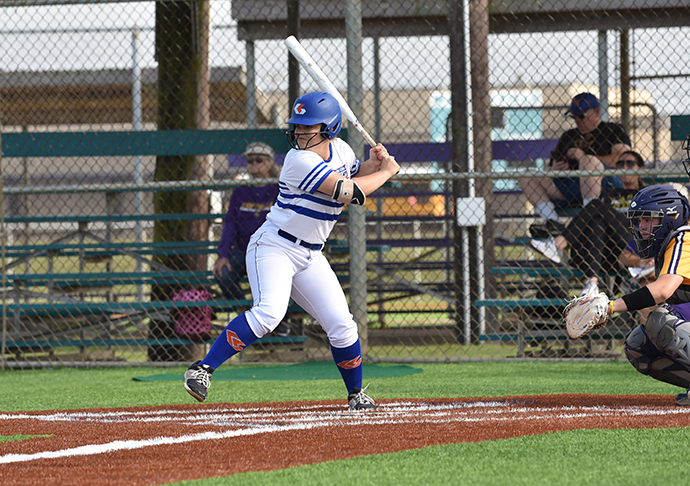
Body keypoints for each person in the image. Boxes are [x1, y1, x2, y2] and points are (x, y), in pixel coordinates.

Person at [184, 91, 400, 410]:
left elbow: (355, 173)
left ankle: (356, 394)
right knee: (270, 313)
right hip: (274, 246)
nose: (298, 132)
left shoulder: (340, 149)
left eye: (306, 126)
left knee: (342, 324)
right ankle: (201, 370)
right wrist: (388, 172)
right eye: (297, 126)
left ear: (329, 128)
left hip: (311, 254)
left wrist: (374, 163)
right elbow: (348, 193)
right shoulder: (299, 161)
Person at [600, 184, 690, 406]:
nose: (641, 227)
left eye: (648, 219)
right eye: (639, 221)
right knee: (639, 345)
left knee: (661, 321)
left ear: (672, 217)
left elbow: (662, 290)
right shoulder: (665, 246)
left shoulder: (683, 238)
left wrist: (609, 306)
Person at [529, 150, 645, 297]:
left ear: (640, 168)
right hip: (606, 250)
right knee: (596, 221)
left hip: (631, 242)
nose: (624, 166)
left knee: (596, 204)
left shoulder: (645, 193)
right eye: (620, 163)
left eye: (630, 163)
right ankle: (592, 283)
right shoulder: (609, 192)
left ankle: (559, 243)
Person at [520, 92, 632, 239]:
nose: (578, 121)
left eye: (582, 116)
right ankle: (553, 223)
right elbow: (550, 166)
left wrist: (584, 157)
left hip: (602, 184)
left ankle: (588, 221)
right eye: (574, 117)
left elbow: (623, 159)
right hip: (570, 185)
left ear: (597, 112)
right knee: (526, 176)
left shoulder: (613, 130)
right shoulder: (569, 135)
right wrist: (555, 169)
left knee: (588, 162)